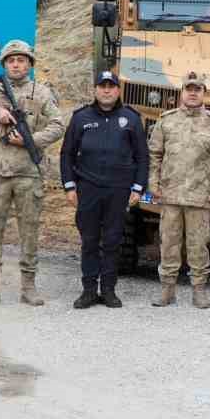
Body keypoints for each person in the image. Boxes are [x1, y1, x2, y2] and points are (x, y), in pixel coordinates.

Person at [0, 40, 65, 308]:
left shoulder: (41, 92)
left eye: (21, 60)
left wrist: (32, 138)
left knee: (29, 231)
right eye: (11, 60)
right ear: (4, 65)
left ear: (29, 64)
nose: (16, 64)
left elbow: (58, 125)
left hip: (28, 173)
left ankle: (28, 286)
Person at [60, 70, 147, 309]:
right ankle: (89, 290)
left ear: (118, 90)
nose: (106, 90)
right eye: (102, 86)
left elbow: (142, 156)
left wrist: (138, 187)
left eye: (111, 86)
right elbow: (66, 153)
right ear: (95, 90)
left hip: (119, 190)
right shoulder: (80, 118)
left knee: (112, 241)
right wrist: (69, 186)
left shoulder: (131, 118)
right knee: (89, 240)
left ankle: (108, 290)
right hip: (87, 188)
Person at [147, 71, 210, 310]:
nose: (193, 93)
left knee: (198, 245)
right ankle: (167, 289)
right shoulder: (167, 120)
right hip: (170, 194)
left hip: (200, 196)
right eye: (189, 89)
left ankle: (199, 290)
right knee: (169, 243)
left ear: (204, 93)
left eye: (198, 90)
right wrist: (153, 184)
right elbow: (155, 154)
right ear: (182, 92)